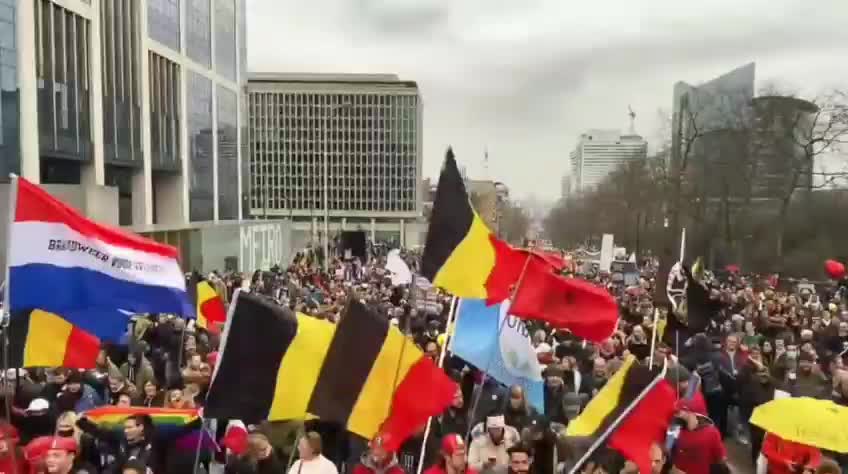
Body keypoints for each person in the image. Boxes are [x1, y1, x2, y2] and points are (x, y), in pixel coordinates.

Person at [670, 399, 727, 474]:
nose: (676, 413)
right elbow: (722, 459)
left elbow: (721, 459)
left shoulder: (711, 433)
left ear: (689, 412)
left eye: (679, 411)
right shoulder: (712, 432)